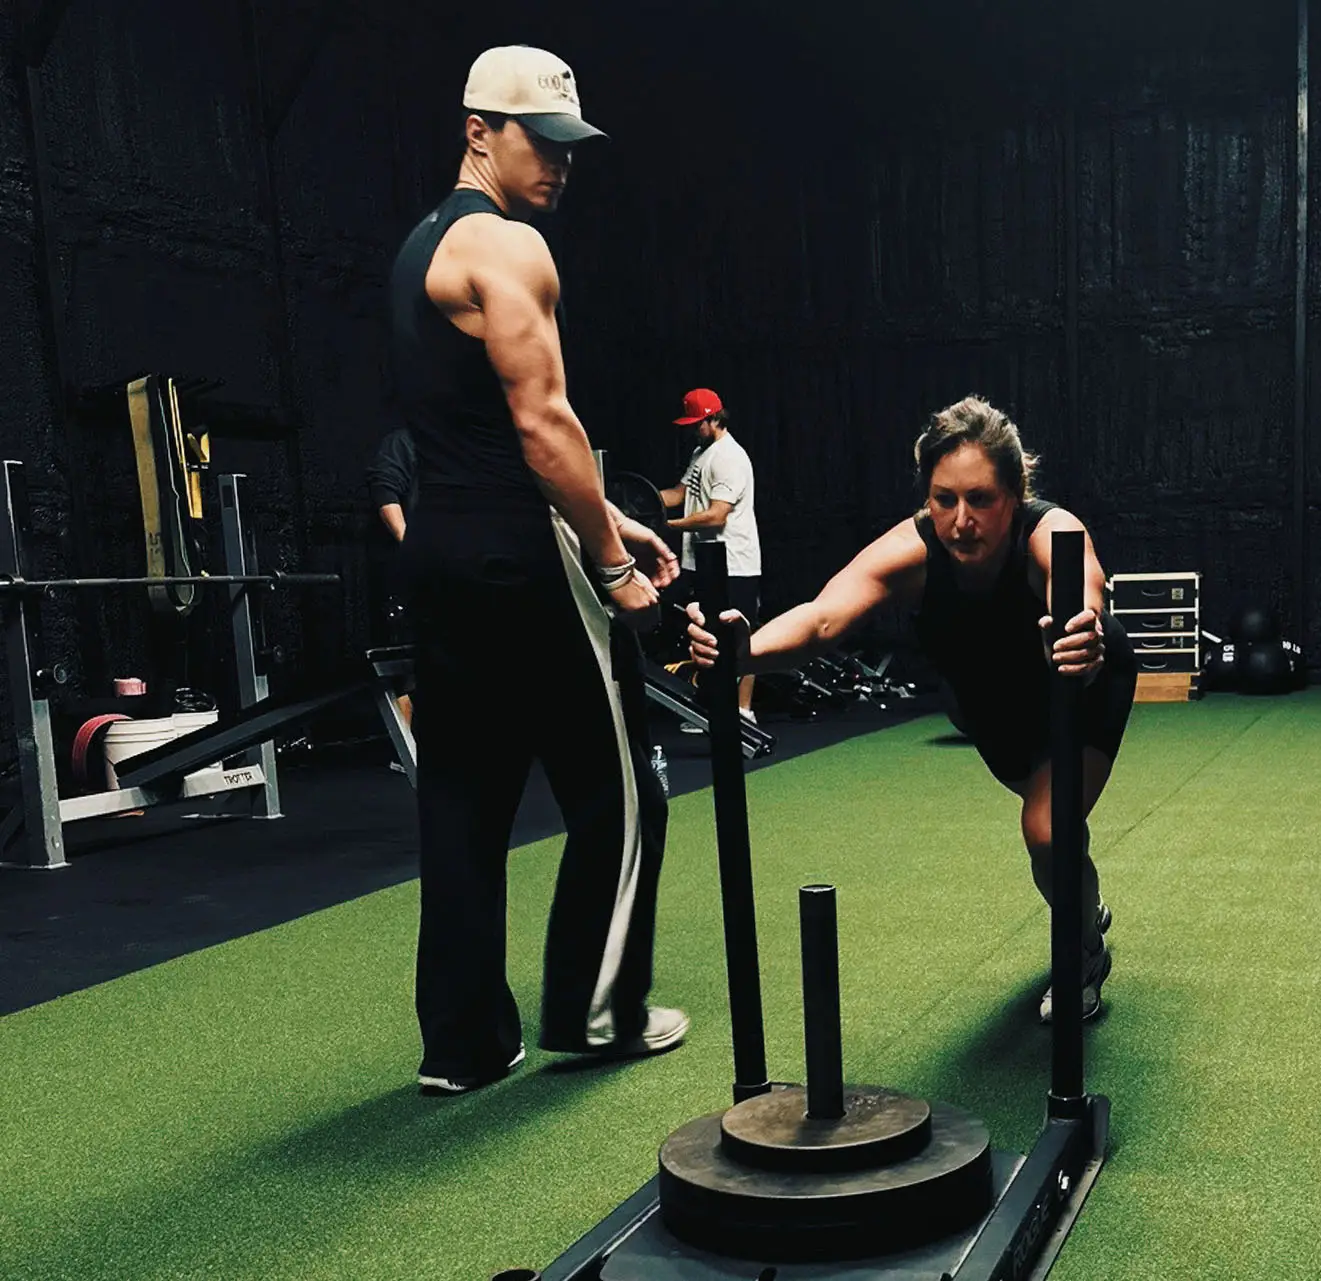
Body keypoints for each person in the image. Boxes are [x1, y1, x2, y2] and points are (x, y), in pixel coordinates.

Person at [389, 44, 687, 1096]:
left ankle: (465, 1046)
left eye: (570, 145)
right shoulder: (510, 250)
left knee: (463, 802)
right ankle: (597, 1013)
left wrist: (611, 513)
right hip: (525, 553)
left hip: (444, 549)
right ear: (480, 131)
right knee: (626, 791)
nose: (561, 163)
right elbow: (540, 419)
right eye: (540, 141)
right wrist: (614, 565)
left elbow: (477, 430)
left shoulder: (419, 250)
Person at [686, 396, 1134, 1023]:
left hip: (1077, 682)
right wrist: (745, 650)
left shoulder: (1049, 529)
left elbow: (1079, 580)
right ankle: (1084, 902)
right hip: (993, 702)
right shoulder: (913, 550)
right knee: (1053, 843)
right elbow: (822, 619)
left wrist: (1077, 629)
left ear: (1014, 493)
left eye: (980, 499)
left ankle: (1083, 948)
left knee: (1048, 831)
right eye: (943, 499)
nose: (960, 520)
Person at [659, 388, 762, 726]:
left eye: (697, 423)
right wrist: (631, 502)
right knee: (707, 636)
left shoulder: (729, 457)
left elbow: (717, 515)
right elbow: (678, 494)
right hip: (702, 562)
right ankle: (716, 707)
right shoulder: (701, 453)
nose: (692, 429)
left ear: (714, 418)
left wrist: (667, 525)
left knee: (740, 638)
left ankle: (743, 711)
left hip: (734, 563)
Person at [366, 424, 418, 729]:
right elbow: (385, 490)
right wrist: (410, 545)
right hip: (410, 571)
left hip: (456, 571)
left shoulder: (461, 446)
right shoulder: (402, 442)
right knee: (405, 670)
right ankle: (407, 752)